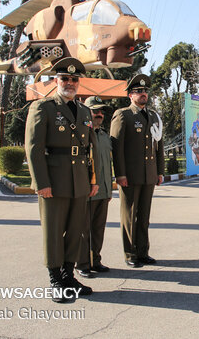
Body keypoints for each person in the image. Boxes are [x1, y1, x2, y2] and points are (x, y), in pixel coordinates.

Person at [25, 58, 99, 303]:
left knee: (76, 229)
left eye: (74, 79)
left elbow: (91, 148)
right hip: (54, 179)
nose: (70, 83)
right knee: (54, 230)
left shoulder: (85, 111)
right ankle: (55, 279)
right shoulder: (43, 107)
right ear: (56, 81)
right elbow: (34, 148)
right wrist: (40, 182)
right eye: (65, 78)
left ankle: (68, 275)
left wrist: (93, 179)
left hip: (79, 179)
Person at [110, 74, 164, 268]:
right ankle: (130, 254)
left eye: (145, 91)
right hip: (130, 176)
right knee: (130, 216)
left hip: (148, 174)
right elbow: (117, 147)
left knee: (144, 217)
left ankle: (143, 252)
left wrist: (159, 171)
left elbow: (159, 146)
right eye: (138, 92)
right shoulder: (123, 115)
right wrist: (120, 174)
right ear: (130, 95)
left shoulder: (153, 116)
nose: (143, 94)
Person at [76, 96, 113, 278]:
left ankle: (95, 260)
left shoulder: (105, 136)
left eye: (101, 112)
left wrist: (109, 188)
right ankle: (82, 264)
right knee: (84, 230)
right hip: (88, 190)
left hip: (104, 190)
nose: (99, 114)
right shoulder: (81, 134)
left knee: (98, 229)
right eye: (95, 111)